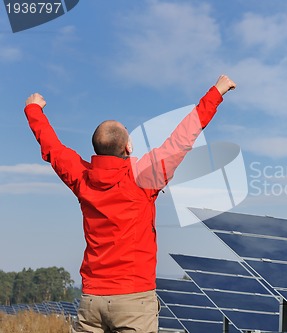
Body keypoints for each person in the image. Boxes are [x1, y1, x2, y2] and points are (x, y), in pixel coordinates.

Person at [24, 75, 236, 333]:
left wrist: (33, 110)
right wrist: (216, 91)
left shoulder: (82, 177)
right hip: (134, 300)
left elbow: (53, 149)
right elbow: (183, 136)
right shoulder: (144, 176)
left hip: (92, 300)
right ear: (128, 146)